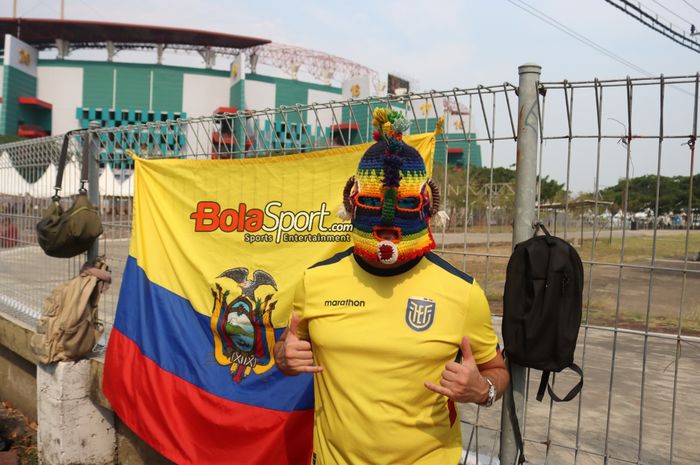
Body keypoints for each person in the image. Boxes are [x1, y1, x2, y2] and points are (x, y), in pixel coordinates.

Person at [274, 109, 509, 465]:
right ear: (353, 204)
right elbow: (287, 350)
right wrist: (284, 359)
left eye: (404, 208)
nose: (387, 235)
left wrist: (482, 390)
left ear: (427, 207)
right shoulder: (315, 281)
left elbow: (498, 371)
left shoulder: (462, 292)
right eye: (372, 206)